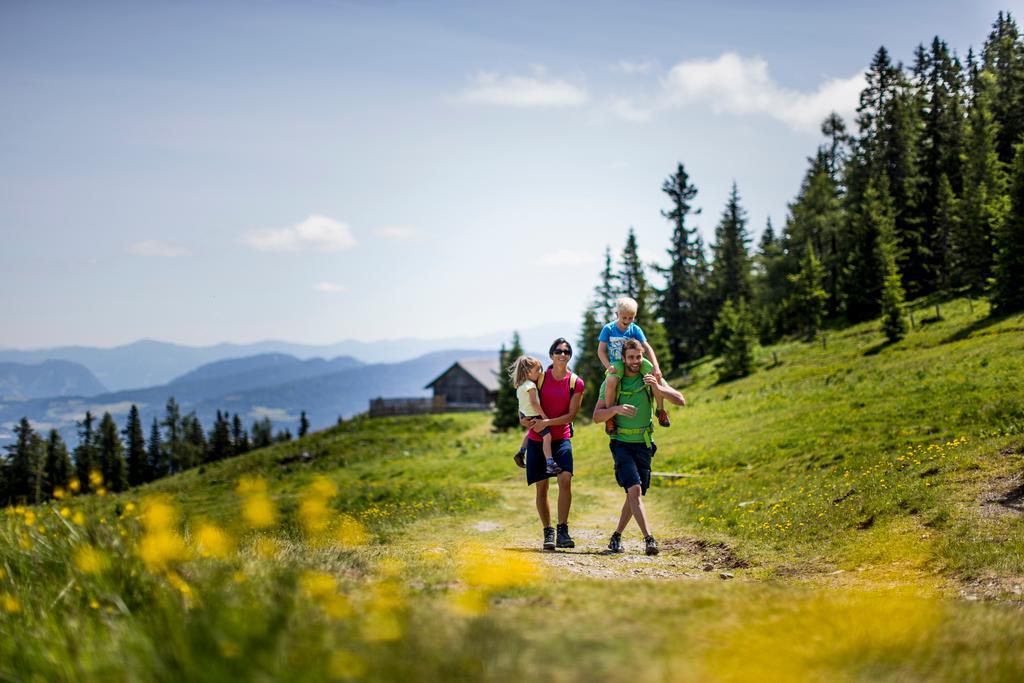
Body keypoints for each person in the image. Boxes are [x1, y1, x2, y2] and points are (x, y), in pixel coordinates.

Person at [593, 339, 685, 556]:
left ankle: (616, 535)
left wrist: (657, 386)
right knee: (634, 490)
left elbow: (681, 400)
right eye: (631, 357)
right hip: (621, 444)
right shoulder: (612, 382)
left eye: (638, 357)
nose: (635, 361)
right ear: (623, 359)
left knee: (633, 495)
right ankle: (649, 539)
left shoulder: (648, 377)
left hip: (644, 445)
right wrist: (615, 409)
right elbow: (597, 417)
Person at [520, 338, 585, 551]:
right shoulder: (540, 378)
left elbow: (571, 415)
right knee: (542, 487)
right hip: (537, 440)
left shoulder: (576, 382)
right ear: (551, 355)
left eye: (566, 351)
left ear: (569, 356)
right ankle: (548, 532)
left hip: (561, 438)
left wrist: (547, 422)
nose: (562, 354)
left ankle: (563, 530)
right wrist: (522, 419)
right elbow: (526, 403)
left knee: (565, 479)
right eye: (558, 351)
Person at [598, 296, 670, 435]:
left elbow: (647, 348)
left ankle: (660, 410)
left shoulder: (635, 329)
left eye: (630, 318)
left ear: (634, 316)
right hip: (618, 362)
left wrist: (656, 366)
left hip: (636, 359)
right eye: (624, 317)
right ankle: (610, 417)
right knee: (611, 380)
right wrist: (608, 366)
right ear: (617, 314)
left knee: (655, 377)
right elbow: (600, 351)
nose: (626, 321)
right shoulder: (608, 329)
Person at [508, 355, 559, 475]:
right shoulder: (531, 386)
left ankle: (521, 452)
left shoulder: (520, 386)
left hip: (525, 414)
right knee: (547, 437)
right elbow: (534, 403)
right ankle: (550, 463)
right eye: (537, 370)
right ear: (527, 372)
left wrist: (522, 416)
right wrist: (544, 416)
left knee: (531, 432)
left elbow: (522, 403)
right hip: (534, 415)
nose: (539, 373)